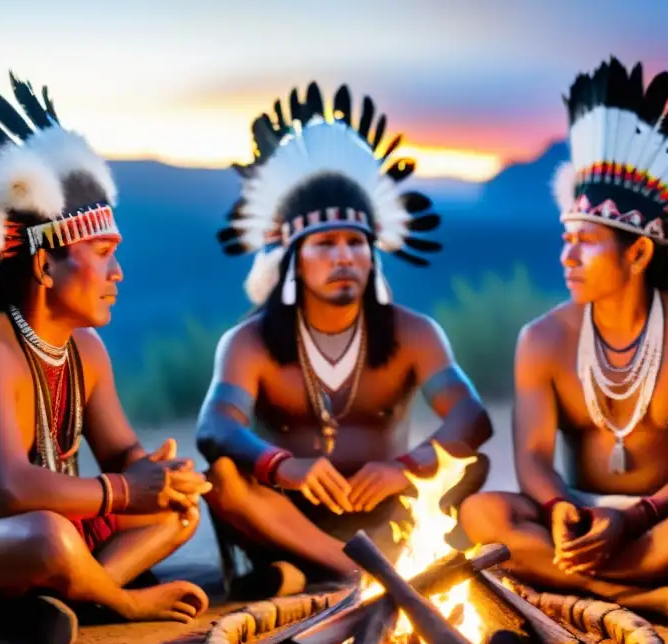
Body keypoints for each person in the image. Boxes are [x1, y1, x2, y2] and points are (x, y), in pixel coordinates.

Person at [458, 57, 668, 629]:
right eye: (566, 239)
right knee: (482, 509)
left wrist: (635, 516)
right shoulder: (543, 338)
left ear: (637, 254)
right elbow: (534, 459)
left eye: (586, 242)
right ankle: (645, 599)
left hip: (664, 519)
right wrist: (561, 509)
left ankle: (585, 592)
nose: (567, 257)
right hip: (579, 519)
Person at [0, 74, 210, 644]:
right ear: (46, 267)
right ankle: (111, 599)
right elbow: (10, 492)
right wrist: (125, 493)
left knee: (178, 511)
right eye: (102, 255)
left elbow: (123, 455)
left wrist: (160, 476)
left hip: (28, 538)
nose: (117, 273)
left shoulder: (83, 352)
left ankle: (58, 601)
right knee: (46, 537)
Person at [197, 82, 493, 599]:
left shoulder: (413, 333)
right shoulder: (248, 342)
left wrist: (404, 469)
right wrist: (282, 466)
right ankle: (357, 572)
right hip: (286, 511)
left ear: (373, 254)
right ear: (292, 257)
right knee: (224, 476)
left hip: (386, 507)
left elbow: (472, 418)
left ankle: (306, 577)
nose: (343, 258)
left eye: (356, 242)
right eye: (325, 244)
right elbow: (215, 427)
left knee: (469, 464)